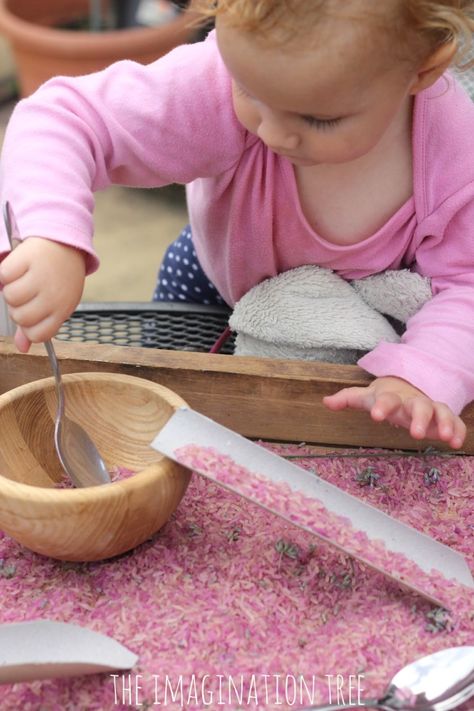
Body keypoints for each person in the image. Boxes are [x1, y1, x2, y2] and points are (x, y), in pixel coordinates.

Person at [0, 0, 474, 449]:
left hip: (370, 331)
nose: (270, 132)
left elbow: (466, 284)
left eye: (317, 118)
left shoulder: (455, 150)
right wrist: (50, 235)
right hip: (209, 279)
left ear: (423, 68)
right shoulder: (214, 82)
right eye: (248, 90)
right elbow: (66, 119)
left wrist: (421, 372)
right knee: (161, 406)